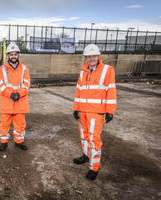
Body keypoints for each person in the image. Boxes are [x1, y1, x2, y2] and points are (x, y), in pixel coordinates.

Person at [72, 44, 117, 180]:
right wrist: (76, 108)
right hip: (83, 112)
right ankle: (87, 155)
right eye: (89, 56)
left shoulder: (107, 70)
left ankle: (94, 167)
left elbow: (111, 90)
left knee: (94, 139)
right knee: (84, 136)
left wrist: (110, 111)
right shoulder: (83, 71)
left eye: (94, 56)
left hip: (96, 113)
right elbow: (79, 90)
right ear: (85, 57)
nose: (92, 59)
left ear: (98, 56)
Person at [0, 43, 31, 151]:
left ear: (18, 55)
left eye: (15, 54)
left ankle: (19, 142)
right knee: (4, 125)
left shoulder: (24, 69)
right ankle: (4, 142)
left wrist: (19, 94)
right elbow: (0, 86)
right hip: (7, 103)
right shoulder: (1, 70)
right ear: (7, 56)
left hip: (20, 102)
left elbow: (26, 84)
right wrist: (11, 94)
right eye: (11, 54)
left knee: (20, 124)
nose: (13, 56)